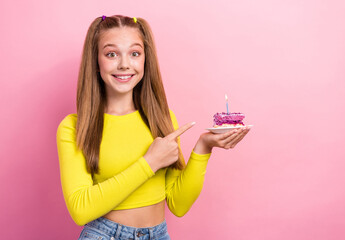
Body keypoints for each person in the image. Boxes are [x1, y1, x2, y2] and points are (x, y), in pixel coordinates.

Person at [56, 14, 251, 240]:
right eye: (111, 54)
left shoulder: (161, 119)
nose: (124, 64)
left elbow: (178, 204)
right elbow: (80, 210)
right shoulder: (74, 127)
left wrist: (204, 147)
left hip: (159, 235)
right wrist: (150, 163)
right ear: (96, 61)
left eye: (135, 53)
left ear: (145, 60)